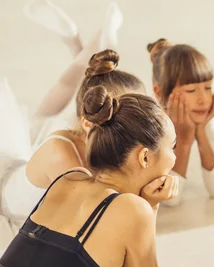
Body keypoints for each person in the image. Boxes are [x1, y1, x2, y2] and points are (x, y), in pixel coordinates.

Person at [0, 85, 178, 267]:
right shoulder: (133, 210)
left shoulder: (69, 178)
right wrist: (151, 205)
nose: (174, 159)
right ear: (144, 156)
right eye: (172, 147)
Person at [0, 50, 143, 252]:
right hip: (11, 210)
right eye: (126, 123)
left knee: (46, 113)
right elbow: (91, 222)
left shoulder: (108, 144)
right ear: (87, 123)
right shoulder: (62, 155)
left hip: (53, 209)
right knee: (45, 114)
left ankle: (83, 45)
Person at [147, 39, 214, 203]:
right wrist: (184, 139)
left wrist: (201, 130)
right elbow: (170, 201)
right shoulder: (151, 125)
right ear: (159, 93)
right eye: (191, 90)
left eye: (208, 88)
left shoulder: (204, 117)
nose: (203, 99)